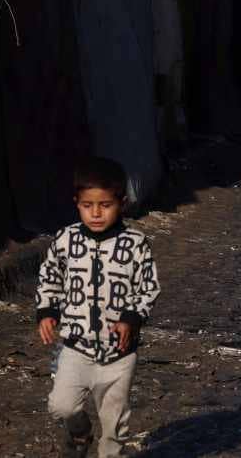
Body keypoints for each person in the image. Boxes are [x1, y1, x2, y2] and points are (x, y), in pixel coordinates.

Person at [37, 157, 161, 458]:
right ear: (76, 203)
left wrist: (131, 318)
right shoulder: (65, 239)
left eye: (105, 205)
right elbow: (49, 277)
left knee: (114, 424)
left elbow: (148, 287)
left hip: (119, 352)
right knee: (61, 405)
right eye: (87, 205)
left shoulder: (135, 243)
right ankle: (80, 433)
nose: (95, 213)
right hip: (75, 346)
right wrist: (47, 311)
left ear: (122, 203)